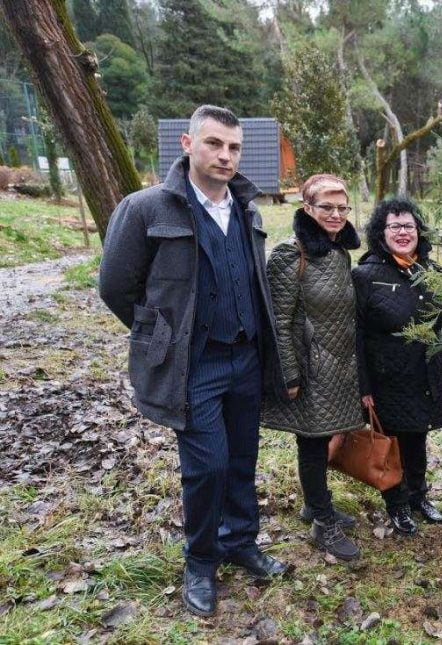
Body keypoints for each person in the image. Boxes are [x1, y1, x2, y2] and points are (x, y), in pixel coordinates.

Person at [98, 105, 290, 617]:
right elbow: (116, 287)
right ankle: (201, 561)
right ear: (188, 144)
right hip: (195, 367)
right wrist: (162, 339)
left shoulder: (247, 208)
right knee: (207, 467)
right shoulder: (145, 209)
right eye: (214, 144)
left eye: (233, 147)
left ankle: (240, 541)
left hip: (246, 359)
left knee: (242, 460)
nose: (225, 156)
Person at [352, 197, 442, 535]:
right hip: (384, 376)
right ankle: (396, 504)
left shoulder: (433, 273)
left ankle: (418, 495)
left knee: (417, 437)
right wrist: (363, 387)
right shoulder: (365, 275)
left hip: (424, 371)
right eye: (395, 226)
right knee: (390, 441)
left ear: (419, 231)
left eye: (409, 226)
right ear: (382, 231)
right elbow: (356, 335)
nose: (403, 232)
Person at [262, 174, 363, 562]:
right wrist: (289, 374)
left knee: (323, 438)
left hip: (338, 364)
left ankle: (314, 505)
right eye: (326, 207)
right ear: (307, 208)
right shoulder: (291, 255)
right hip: (308, 367)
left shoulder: (339, 252)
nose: (336, 215)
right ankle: (323, 522)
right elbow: (279, 322)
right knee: (312, 439)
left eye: (342, 207)